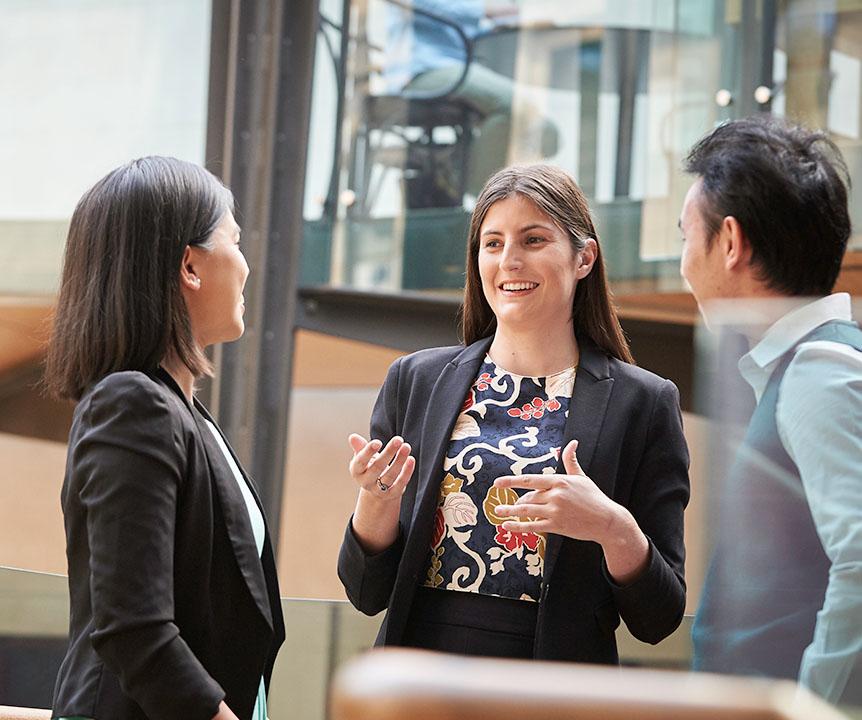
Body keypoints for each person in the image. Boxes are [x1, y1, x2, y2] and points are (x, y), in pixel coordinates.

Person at [338, 163, 689, 662]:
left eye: (533, 240)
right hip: (422, 675)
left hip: (553, 687)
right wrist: (375, 499)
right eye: (493, 243)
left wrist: (612, 527)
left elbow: (659, 617)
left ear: (584, 257)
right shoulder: (415, 381)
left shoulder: (645, 403)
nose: (510, 262)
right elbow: (365, 592)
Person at [47, 157, 284, 720]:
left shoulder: (181, 412)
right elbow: (133, 627)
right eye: (234, 240)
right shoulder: (134, 404)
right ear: (190, 266)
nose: (247, 266)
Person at [682, 117, 862, 705]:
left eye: (688, 237)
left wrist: (811, 705)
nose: (685, 265)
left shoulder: (819, 371)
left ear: (730, 242)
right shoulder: (803, 366)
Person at [384, 0, 558, 205]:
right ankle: (470, 188)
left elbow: (465, 27)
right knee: (516, 109)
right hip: (421, 72)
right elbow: (439, 7)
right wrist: (491, 10)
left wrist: (506, 22)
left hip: (458, 67)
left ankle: (454, 169)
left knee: (546, 133)